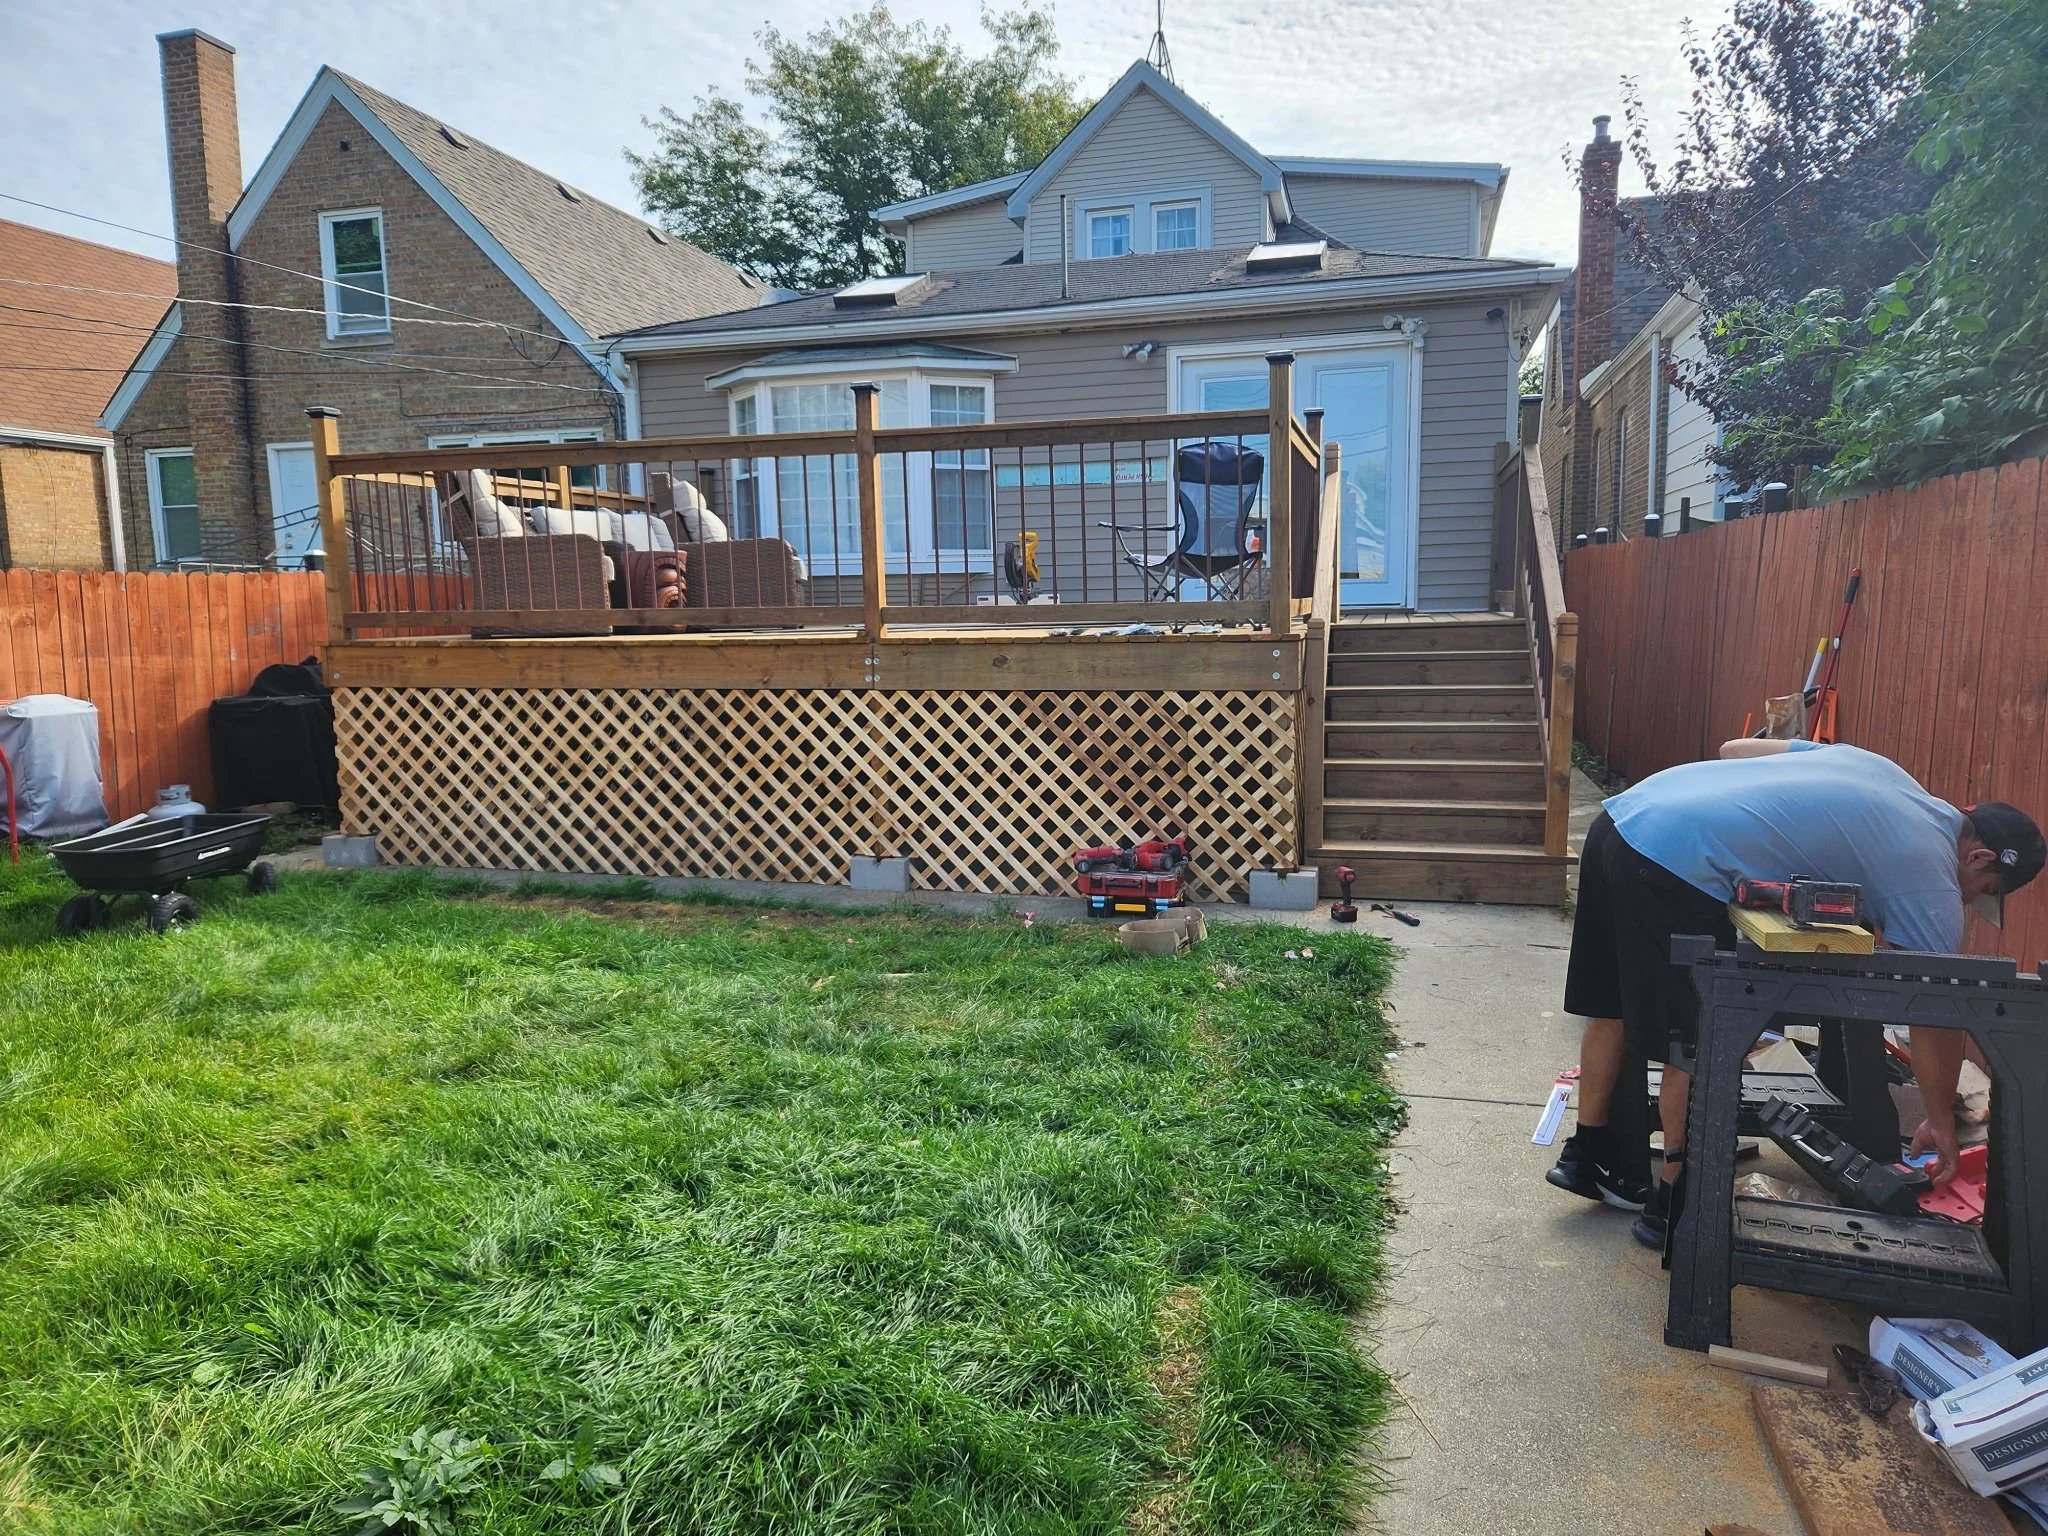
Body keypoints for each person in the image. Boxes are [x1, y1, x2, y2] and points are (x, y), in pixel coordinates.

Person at [1546, 737, 2045, 1247]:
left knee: (1611, 1009)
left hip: (1624, 820)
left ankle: (1588, 1159)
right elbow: (1936, 1009)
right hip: (1674, 862)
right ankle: (1673, 1208)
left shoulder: (1882, 772)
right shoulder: (1931, 875)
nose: (1967, 903)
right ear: (1979, 856)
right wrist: (1940, 1120)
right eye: (1982, 891)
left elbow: (1735, 749)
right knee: (1695, 1045)